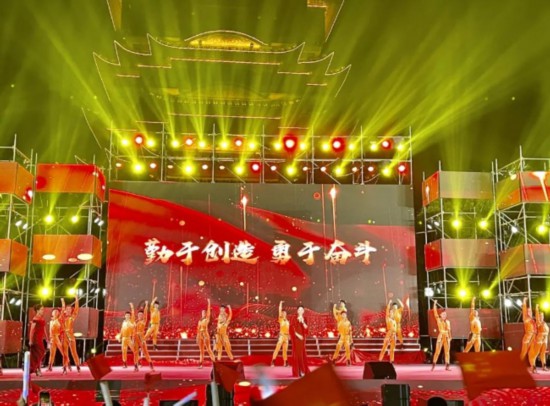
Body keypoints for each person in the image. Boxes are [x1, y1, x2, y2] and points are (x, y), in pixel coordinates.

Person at [61, 295, 81, 372]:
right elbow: (62, 310)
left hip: (71, 337)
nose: (69, 310)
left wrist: (76, 299)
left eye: (70, 309)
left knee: (74, 352)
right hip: (64, 337)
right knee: (65, 353)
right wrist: (63, 302)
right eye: (67, 309)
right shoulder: (62, 317)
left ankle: (78, 366)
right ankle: (64, 367)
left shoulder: (72, 317)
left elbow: (76, 309)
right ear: (65, 310)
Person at [432, 300, 452, 371]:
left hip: (447, 337)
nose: (444, 316)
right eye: (443, 314)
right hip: (441, 336)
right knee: (437, 351)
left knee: (447, 352)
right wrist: (434, 304)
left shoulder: (448, 322)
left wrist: (450, 337)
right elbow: (435, 312)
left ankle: (447, 366)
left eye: (445, 315)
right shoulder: (438, 320)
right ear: (440, 315)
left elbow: (449, 330)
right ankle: (433, 365)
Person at [528, 304, 549, 373]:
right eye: (540, 316)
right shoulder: (538, 322)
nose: (541, 317)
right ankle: (533, 367)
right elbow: (537, 318)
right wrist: (537, 309)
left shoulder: (544, 323)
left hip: (545, 340)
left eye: (542, 316)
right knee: (535, 354)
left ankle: (544, 366)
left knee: (543, 353)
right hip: (539, 340)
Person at [291, 305, 310, 377]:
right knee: (298, 354)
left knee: (302, 354)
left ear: (303, 311)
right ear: (297, 311)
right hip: (296, 338)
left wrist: (303, 322)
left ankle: (302, 370)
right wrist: (298, 335)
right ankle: (300, 370)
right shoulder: (294, 318)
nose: (300, 311)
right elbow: (291, 328)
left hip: (302, 339)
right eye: (299, 310)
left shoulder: (304, 318)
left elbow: (306, 328)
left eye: (302, 310)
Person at [134, 301, 154, 371]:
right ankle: (136, 366)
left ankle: (150, 364)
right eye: (139, 315)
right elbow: (134, 330)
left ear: (143, 316)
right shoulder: (136, 322)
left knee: (145, 351)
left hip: (142, 337)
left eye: (141, 315)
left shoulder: (144, 321)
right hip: (136, 337)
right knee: (136, 352)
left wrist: (146, 305)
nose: (140, 316)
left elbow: (145, 313)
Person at [29, 304, 48, 376]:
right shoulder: (35, 318)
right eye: (41, 309)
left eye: (43, 309)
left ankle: (37, 369)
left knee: (40, 354)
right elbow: (32, 330)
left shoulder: (42, 318)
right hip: (36, 339)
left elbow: (44, 329)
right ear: (37, 310)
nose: (43, 311)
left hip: (40, 339)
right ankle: (36, 369)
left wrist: (47, 338)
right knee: (39, 354)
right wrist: (30, 340)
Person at [197, 299, 215, 368]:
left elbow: (208, 311)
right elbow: (198, 329)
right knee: (201, 351)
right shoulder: (199, 321)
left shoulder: (207, 319)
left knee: (208, 349)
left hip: (205, 334)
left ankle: (214, 362)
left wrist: (209, 303)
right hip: (200, 335)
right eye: (202, 313)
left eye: (204, 313)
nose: (203, 314)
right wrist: (197, 336)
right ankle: (201, 364)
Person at [120, 303, 138, 370]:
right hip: (124, 339)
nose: (127, 316)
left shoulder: (131, 321)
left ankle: (137, 363)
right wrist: (120, 337)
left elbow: (133, 314)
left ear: (130, 316)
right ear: (125, 316)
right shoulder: (123, 322)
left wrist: (132, 307)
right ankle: (124, 363)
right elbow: (122, 329)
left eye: (128, 315)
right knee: (124, 351)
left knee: (134, 350)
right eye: (126, 315)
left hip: (129, 338)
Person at [271, 301, 290, 367]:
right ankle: (273, 361)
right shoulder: (281, 319)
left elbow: (288, 329)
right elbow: (279, 310)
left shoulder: (287, 321)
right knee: (277, 348)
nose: (284, 314)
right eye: (283, 313)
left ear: (286, 314)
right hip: (281, 336)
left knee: (285, 350)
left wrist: (289, 335)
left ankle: (285, 362)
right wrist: (280, 304)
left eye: (285, 313)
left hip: (286, 337)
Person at [47, 308, 66, 374]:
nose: (55, 313)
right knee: (52, 353)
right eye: (54, 311)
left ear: (58, 313)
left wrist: (62, 338)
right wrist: (49, 339)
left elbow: (63, 330)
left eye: (56, 312)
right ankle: (50, 366)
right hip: (52, 339)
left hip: (58, 338)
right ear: (52, 313)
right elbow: (50, 331)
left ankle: (65, 366)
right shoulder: (51, 321)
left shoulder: (59, 320)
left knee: (63, 353)